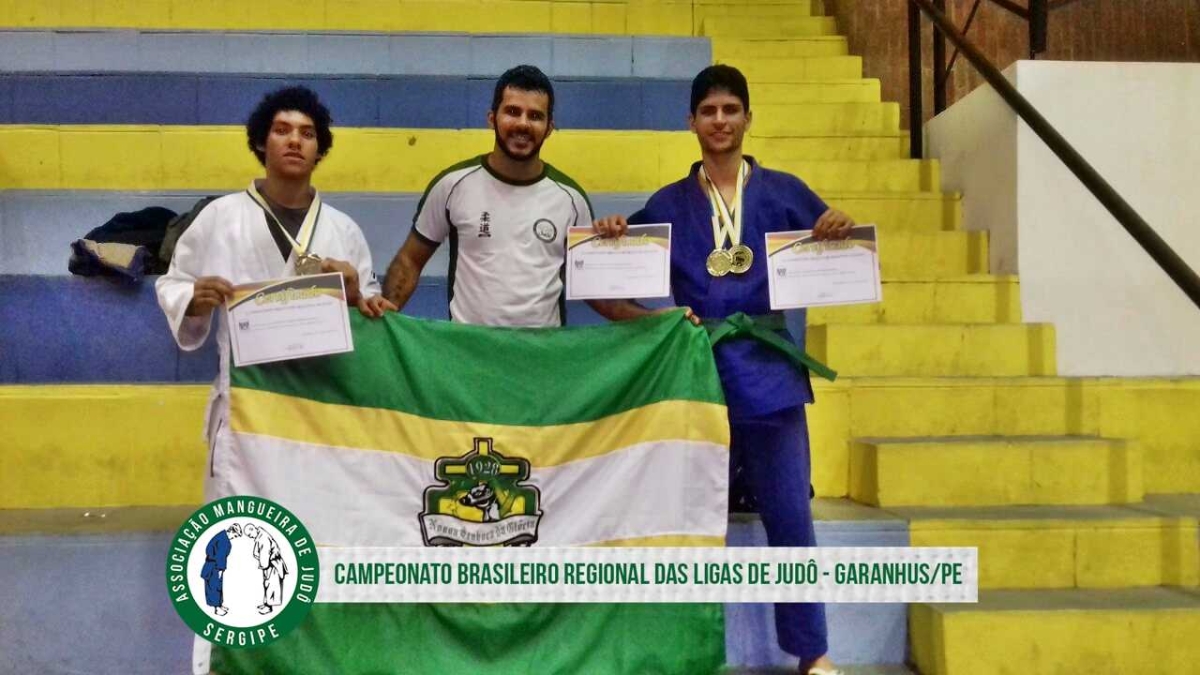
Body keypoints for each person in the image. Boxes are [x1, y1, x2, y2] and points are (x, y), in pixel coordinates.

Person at [592, 65, 854, 675]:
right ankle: (677, 649)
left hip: (768, 372)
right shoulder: (667, 203)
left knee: (790, 514)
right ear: (691, 121)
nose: (719, 121)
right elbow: (607, 284)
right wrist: (613, 240)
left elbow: (836, 253)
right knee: (680, 519)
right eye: (708, 111)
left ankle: (813, 653)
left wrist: (835, 227)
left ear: (747, 118)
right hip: (695, 376)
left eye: (730, 109)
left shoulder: (786, 190)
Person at [156, 86, 395, 500]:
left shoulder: (343, 229)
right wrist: (192, 299)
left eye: (306, 133)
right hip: (248, 401)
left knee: (317, 521)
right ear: (260, 143)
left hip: (320, 403)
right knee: (243, 527)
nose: (294, 141)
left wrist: (359, 294)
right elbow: (172, 283)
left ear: (319, 149)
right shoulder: (220, 217)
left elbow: (369, 306)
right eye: (282, 130)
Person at [384, 65, 619, 327]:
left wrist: (653, 321)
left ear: (549, 128)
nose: (522, 124)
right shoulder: (452, 185)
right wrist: (383, 318)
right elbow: (409, 261)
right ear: (492, 118)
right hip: (469, 356)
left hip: (543, 359)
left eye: (535, 116)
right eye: (512, 111)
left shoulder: (571, 199)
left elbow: (596, 291)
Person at [242, 524, 288, 615]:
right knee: (266, 585)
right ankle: (266, 603)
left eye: (250, 535)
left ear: (253, 529)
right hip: (268, 565)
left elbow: (264, 554)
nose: (251, 537)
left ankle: (269, 607)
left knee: (272, 585)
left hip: (273, 565)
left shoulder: (263, 538)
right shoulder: (259, 536)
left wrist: (263, 566)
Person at [199, 524, 242, 616]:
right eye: (235, 535)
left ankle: (219, 604)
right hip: (214, 567)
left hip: (214, 565)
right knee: (215, 587)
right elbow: (220, 557)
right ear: (231, 531)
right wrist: (220, 570)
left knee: (217, 586)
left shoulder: (222, 536)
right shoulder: (223, 541)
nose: (234, 537)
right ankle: (217, 608)